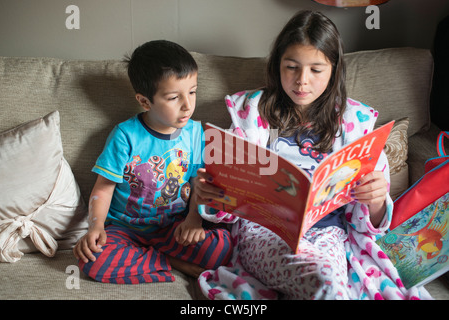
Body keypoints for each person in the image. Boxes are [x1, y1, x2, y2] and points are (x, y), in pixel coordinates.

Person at [195, 11, 432, 299]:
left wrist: (377, 199)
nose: (301, 81)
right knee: (325, 284)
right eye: (291, 67)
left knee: (329, 285)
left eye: (316, 70)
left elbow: (372, 218)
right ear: (277, 65)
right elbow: (227, 196)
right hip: (264, 232)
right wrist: (215, 192)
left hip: (328, 232)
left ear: (334, 70)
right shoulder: (253, 115)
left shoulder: (354, 124)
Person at [73, 40, 233, 284]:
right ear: (145, 101)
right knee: (92, 261)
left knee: (222, 249)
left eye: (192, 91)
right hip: (125, 229)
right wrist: (95, 228)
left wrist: (193, 220)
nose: (187, 105)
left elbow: (199, 182)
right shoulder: (125, 135)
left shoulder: (196, 133)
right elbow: (104, 188)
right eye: (173, 97)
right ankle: (173, 264)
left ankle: (151, 260)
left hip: (173, 228)